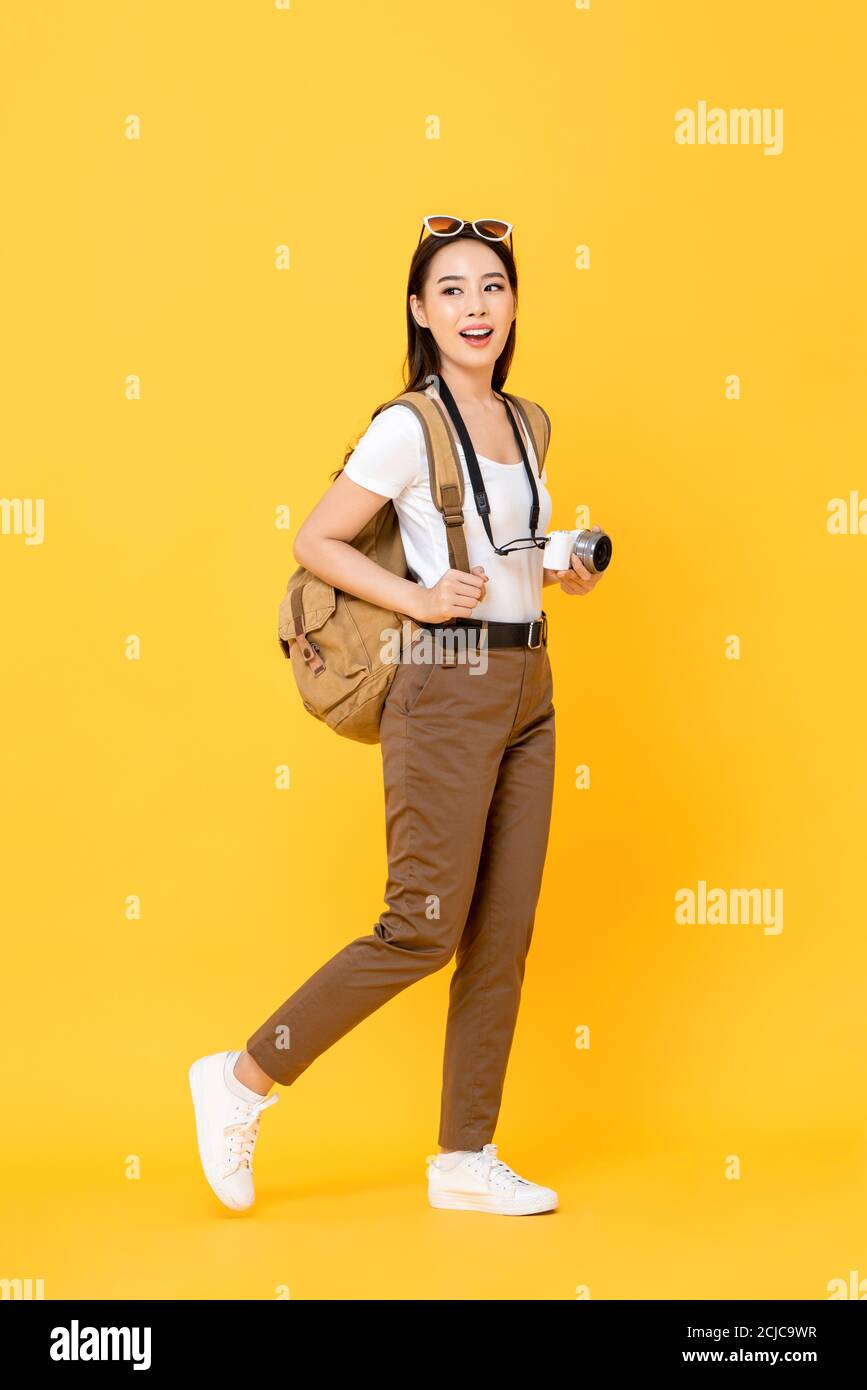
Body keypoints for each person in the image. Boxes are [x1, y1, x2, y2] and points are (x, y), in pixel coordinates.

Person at [189, 215, 605, 1215]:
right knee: (421, 926)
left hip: (529, 686)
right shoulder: (405, 426)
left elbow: (508, 545)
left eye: (493, 287)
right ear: (421, 310)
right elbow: (319, 536)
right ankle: (243, 1076)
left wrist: (562, 562)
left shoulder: (531, 420)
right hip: (447, 681)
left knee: (500, 933)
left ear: (514, 305)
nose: (476, 306)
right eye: (453, 289)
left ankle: (466, 1155)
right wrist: (421, 601)